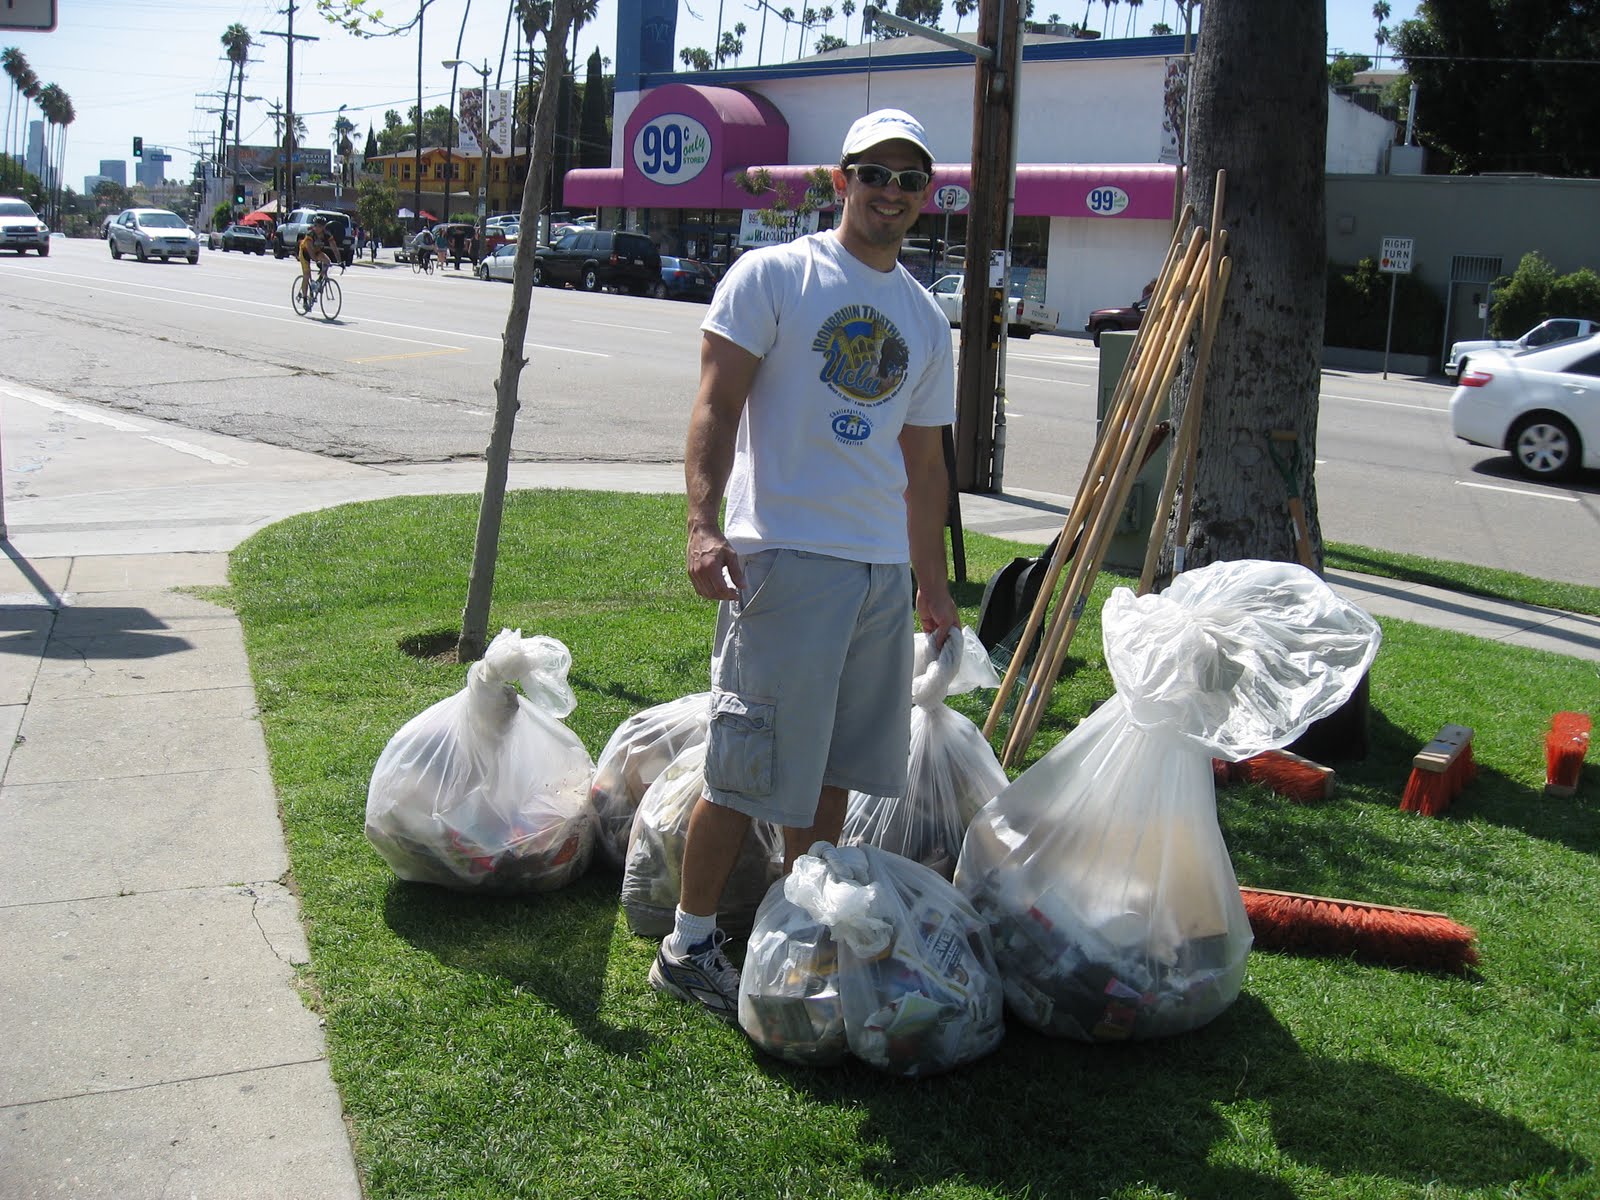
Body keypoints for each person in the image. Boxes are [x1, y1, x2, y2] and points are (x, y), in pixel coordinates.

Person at [653, 108, 959, 1021]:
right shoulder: (774, 275)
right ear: (842, 179)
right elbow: (714, 405)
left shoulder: (923, 314)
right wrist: (704, 525)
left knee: (829, 774)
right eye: (876, 173)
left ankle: (795, 929)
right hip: (785, 557)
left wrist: (932, 587)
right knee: (745, 772)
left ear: (926, 197)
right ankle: (689, 945)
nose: (892, 192)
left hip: (876, 576)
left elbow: (926, 464)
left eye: (911, 179)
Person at [297, 214, 338, 306]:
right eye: (315, 225)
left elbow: (334, 248)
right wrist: (316, 261)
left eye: (320, 226)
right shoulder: (310, 234)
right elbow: (310, 250)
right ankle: (304, 300)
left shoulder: (327, 235)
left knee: (327, 261)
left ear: (324, 227)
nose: (317, 228)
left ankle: (319, 281)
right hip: (305, 253)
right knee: (306, 275)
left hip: (316, 252)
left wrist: (340, 261)